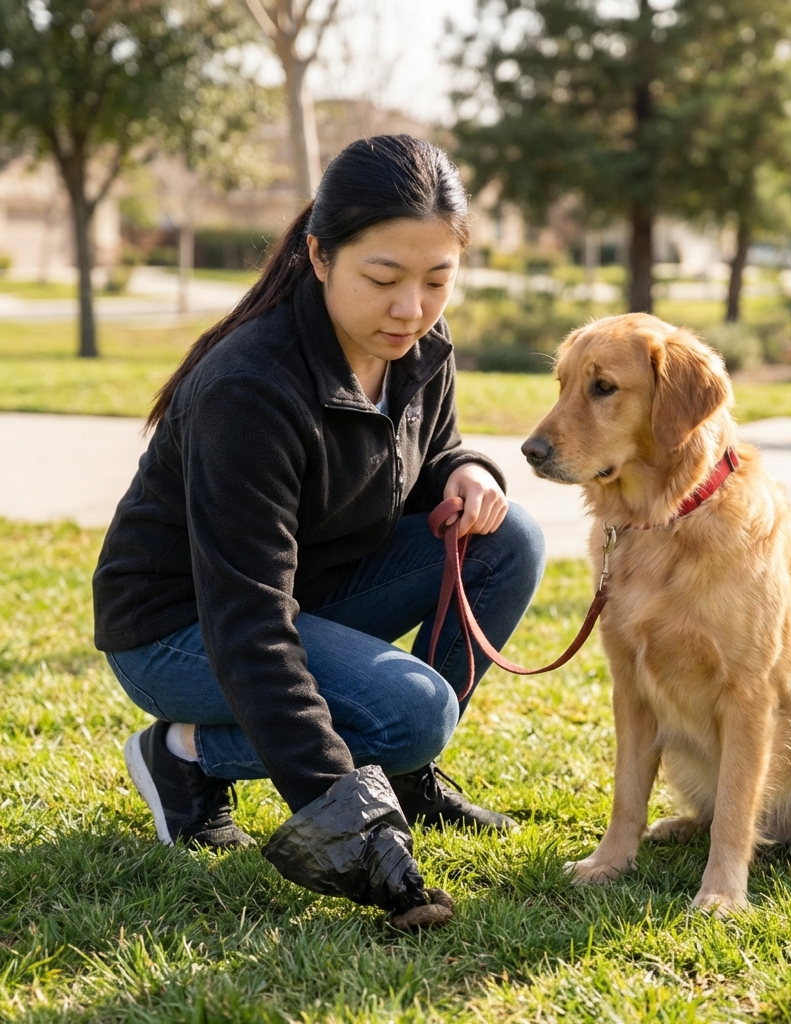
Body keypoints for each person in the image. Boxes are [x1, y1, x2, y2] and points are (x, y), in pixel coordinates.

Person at [92, 135, 545, 909]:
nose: (412, 308)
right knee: (414, 710)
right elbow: (249, 620)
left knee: (508, 539)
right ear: (320, 256)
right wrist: (348, 820)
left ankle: (406, 777)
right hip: (182, 624)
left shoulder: (418, 344)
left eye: (439, 279)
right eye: (384, 278)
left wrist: (462, 472)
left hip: (310, 589)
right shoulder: (249, 389)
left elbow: (425, 455)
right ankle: (185, 757)